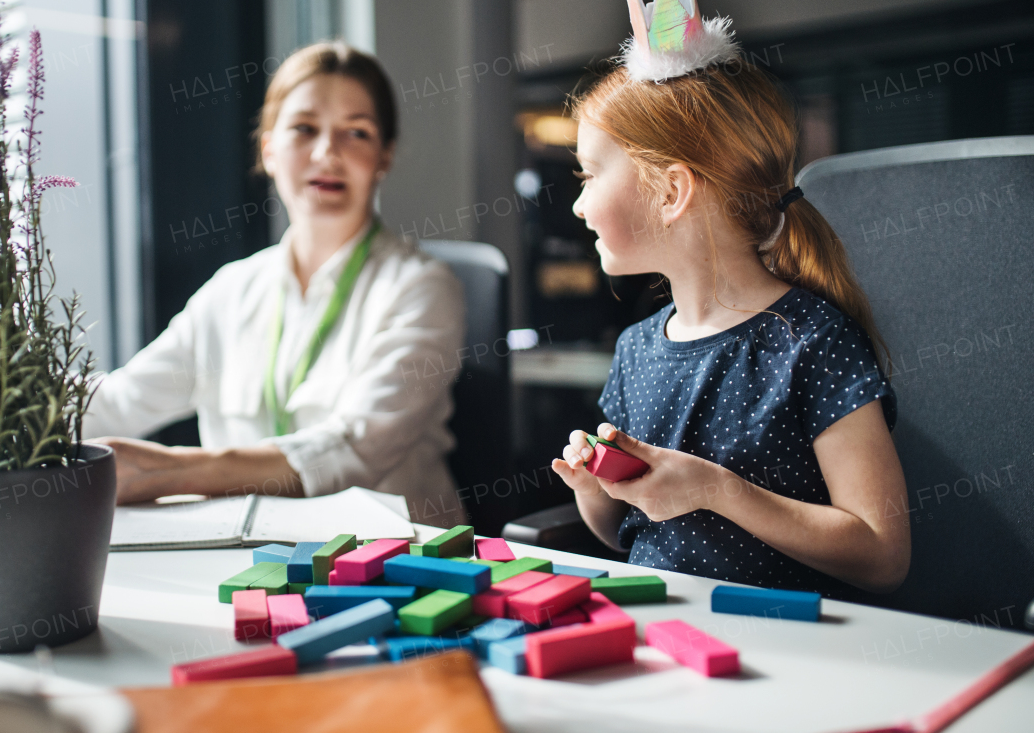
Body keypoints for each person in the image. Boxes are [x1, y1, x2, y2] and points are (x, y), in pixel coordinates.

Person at [551, 55, 911, 595]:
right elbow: (621, 536)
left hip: (785, 643)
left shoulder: (813, 342)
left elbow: (883, 554)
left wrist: (717, 490)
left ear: (671, 192)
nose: (578, 205)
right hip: (663, 631)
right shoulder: (635, 349)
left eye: (590, 175)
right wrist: (595, 489)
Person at [83, 42, 466, 526]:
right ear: (268, 148)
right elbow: (120, 402)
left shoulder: (422, 288)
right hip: (249, 558)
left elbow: (354, 448)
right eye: (304, 129)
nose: (327, 153)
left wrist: (169, 471)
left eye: (357, 133)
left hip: (393, 564)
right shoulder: (231, 291)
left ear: (384, 157)